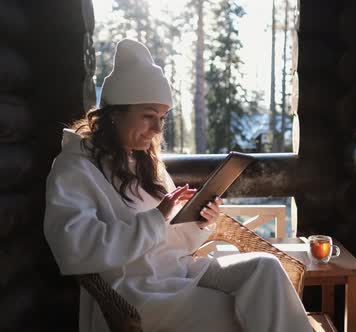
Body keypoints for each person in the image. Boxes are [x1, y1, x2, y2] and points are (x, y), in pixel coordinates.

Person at [44, 39, 312, 332]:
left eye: (162, 118)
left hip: (179, 271)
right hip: (137, 290)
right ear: (115, 114)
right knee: (246, 311)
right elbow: (74, 249)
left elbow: (171, 238)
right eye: (148, 116)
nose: (158, 129)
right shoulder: (75, 168)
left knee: (266, 268)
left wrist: (198, 222)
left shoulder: (145, 163)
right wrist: (157, 217)